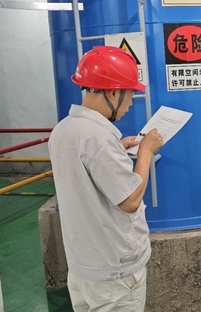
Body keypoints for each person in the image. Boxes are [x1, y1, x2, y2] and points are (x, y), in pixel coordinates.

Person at [48, 46, 163, 312]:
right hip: (114, 273)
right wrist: (145, 153)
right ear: (113, 93)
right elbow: (130, 201)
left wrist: (117, 149)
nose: (130, 104)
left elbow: (85, 171)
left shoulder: (64, 129)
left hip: (83, 266)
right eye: (130, 95)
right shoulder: (99, 137)